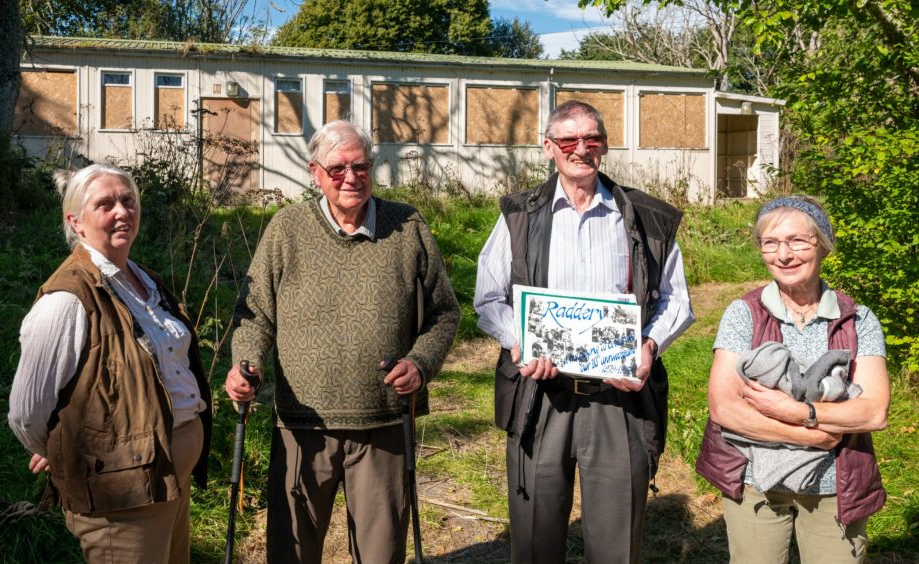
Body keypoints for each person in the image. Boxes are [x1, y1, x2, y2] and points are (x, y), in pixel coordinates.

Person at [225, 120, 460, 563]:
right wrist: (246, 364)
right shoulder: (286, 229)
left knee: (381, 553)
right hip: (302, 426)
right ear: (315, 173)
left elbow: (446, 311)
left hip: (386, 421)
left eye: (361, 167)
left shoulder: (406, 225)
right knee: (291, 552)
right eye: (337, 169)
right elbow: (254, 313)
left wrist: (421, 363)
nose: (351, 178)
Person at [474, 100, 694, 563]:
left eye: (591, 139)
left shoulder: (646, 217)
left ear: (605, 146)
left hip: (619, 397)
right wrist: (518, 343)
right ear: (548, 147)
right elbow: (490, 298)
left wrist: (649, 345)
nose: (581, 149)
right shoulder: (519, 214)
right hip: (540, 391)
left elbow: (675, 300)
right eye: (569, 140)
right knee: (535, 536)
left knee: (616, 541)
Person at [8, 164, 212, 563]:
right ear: (76, 222)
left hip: (168, 482)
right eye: (105, 204)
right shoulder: (67, 300)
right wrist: (61, 448)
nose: (122, 211)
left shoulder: (141, 280)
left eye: (128, 200)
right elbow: (25, 411)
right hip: (122, 497)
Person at [696, 195, 889, 563]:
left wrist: (794, 410)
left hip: (835, 483)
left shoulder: (858, 320)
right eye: (770, 243)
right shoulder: (744, 314)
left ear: (824, 245)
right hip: (754, 481)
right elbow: (724, 407)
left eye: (798, 241)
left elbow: (873, 412)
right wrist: (812, 433)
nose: (784, 255)